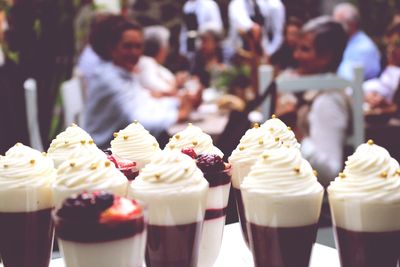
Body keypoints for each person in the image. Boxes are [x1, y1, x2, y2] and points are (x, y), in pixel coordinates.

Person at [83, 15, 193, 148]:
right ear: (112, 48)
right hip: (105, 155)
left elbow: (146, 104)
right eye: (127, 46)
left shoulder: (123, 72)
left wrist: (178, 102)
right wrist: (178, 114)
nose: (134, 52)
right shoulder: (108, 78)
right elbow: (138, 122)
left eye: (138, 46)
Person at [285, 16, 349, 187]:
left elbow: (330, 170)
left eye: (305, 49)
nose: (296, 55)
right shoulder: (314, 93)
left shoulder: (328, 100)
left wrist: (295, 135)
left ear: (326, 57)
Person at [333, 3, 381, 80]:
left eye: (338, 24)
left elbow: (348, 79)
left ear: (353, 24)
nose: (334, 29)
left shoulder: (364, 48)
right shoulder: (345, 43)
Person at [364, 23, 400, 109]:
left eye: (397, 45)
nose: (391, 49)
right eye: (389, 44)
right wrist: (369, 96)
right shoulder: (383, 64)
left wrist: (391, 107)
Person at [136, 26, 178, 96]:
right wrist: (174, 84)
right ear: (161, 49)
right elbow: (166, 89)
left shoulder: (156, 65)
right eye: (166, 48)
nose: (167, 52)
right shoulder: (146, 62)